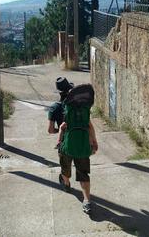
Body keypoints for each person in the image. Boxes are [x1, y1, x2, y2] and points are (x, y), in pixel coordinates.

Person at [58, 84, 98, 214]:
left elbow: (63, 126)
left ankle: (67, 184)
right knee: (83, 174)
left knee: (65, 169)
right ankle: (86, 201)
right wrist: (94, 142)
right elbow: (90, 127)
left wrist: (59, 139)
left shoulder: (67, 109)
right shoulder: (85, 110)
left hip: (68, 146)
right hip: (82, 146)